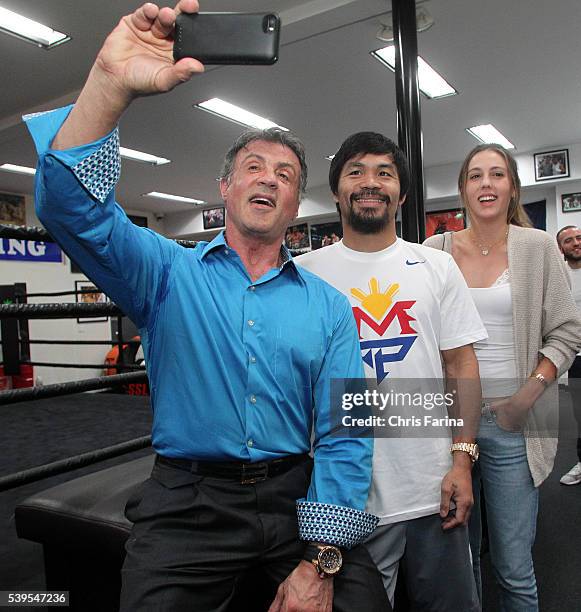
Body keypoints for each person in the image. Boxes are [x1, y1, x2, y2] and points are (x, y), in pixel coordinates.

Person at [24, 3, 391, 611]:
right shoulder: (165, 273)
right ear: (226, 189)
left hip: (293, 496)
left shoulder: (330, 309)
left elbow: (347, 437)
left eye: (285, 175)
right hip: (187, 504)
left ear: (296, 205)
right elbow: (70, 210)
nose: (268, 179)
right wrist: (109, 86)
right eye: (253, 167)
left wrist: (319, 564)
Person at [297, 132, 486, 611]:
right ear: (337, 189)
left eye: (385, 173)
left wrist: (462, 461)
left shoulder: (435, 266)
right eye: (356, 171)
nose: (370, 183)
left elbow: (460, 363)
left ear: (401, 194)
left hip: (432, 488)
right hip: (346, 498)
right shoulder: (304, 273)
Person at [425, 144, 581, 611]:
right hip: (450, 425)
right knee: (461, 560)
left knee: (514, 568)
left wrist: (525, 398)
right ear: (463, 189)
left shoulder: (536, 247)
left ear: (512, 186)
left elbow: (568, 329)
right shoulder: (436, 250)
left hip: (516, 422)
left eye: (497, 174)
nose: (486, 184)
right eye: (475, 175)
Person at [556, 225, 581, 485]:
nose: (575, 243)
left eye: (578, 238)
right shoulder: (562, 277)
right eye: (568, 241)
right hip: (578, 356)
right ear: (561, 248)